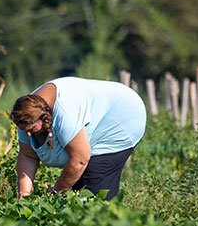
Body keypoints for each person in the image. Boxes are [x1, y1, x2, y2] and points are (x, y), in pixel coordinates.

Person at [9, 76, 146, 200]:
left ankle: (109, 221)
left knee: (93, 190)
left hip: (122, 114)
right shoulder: (26, 116)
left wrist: (57, 192)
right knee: (77, 189)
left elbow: (79, 160)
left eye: (31, 130)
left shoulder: (64, 114)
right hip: (102, 113)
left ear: (44, 118)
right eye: (24, 130)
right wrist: (24, 194)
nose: (28, 135)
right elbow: (28, 156)